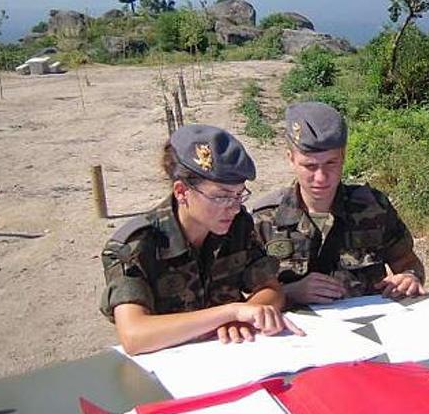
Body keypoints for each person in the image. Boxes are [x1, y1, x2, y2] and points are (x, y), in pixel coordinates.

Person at [100, 124, 302, 355]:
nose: (234, 208)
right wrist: (229, 313)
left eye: (239, 195)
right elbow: (134, 336)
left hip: (231, 354)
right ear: (181, 192)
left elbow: (271, 289)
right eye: (221, 197)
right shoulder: (135, 245)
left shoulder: (237, 226)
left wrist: (247, 314)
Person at [253, 102, 425, 305]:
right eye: (310, 166)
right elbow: (246, 300)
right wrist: (290, 293)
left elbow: (408, 263)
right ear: (291, 159)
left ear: (343, 156)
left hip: (367, 326)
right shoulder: (265, 220)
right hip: (294, 332)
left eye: (331, 163)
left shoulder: (373, 208)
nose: (321, 177)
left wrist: (409, 278)